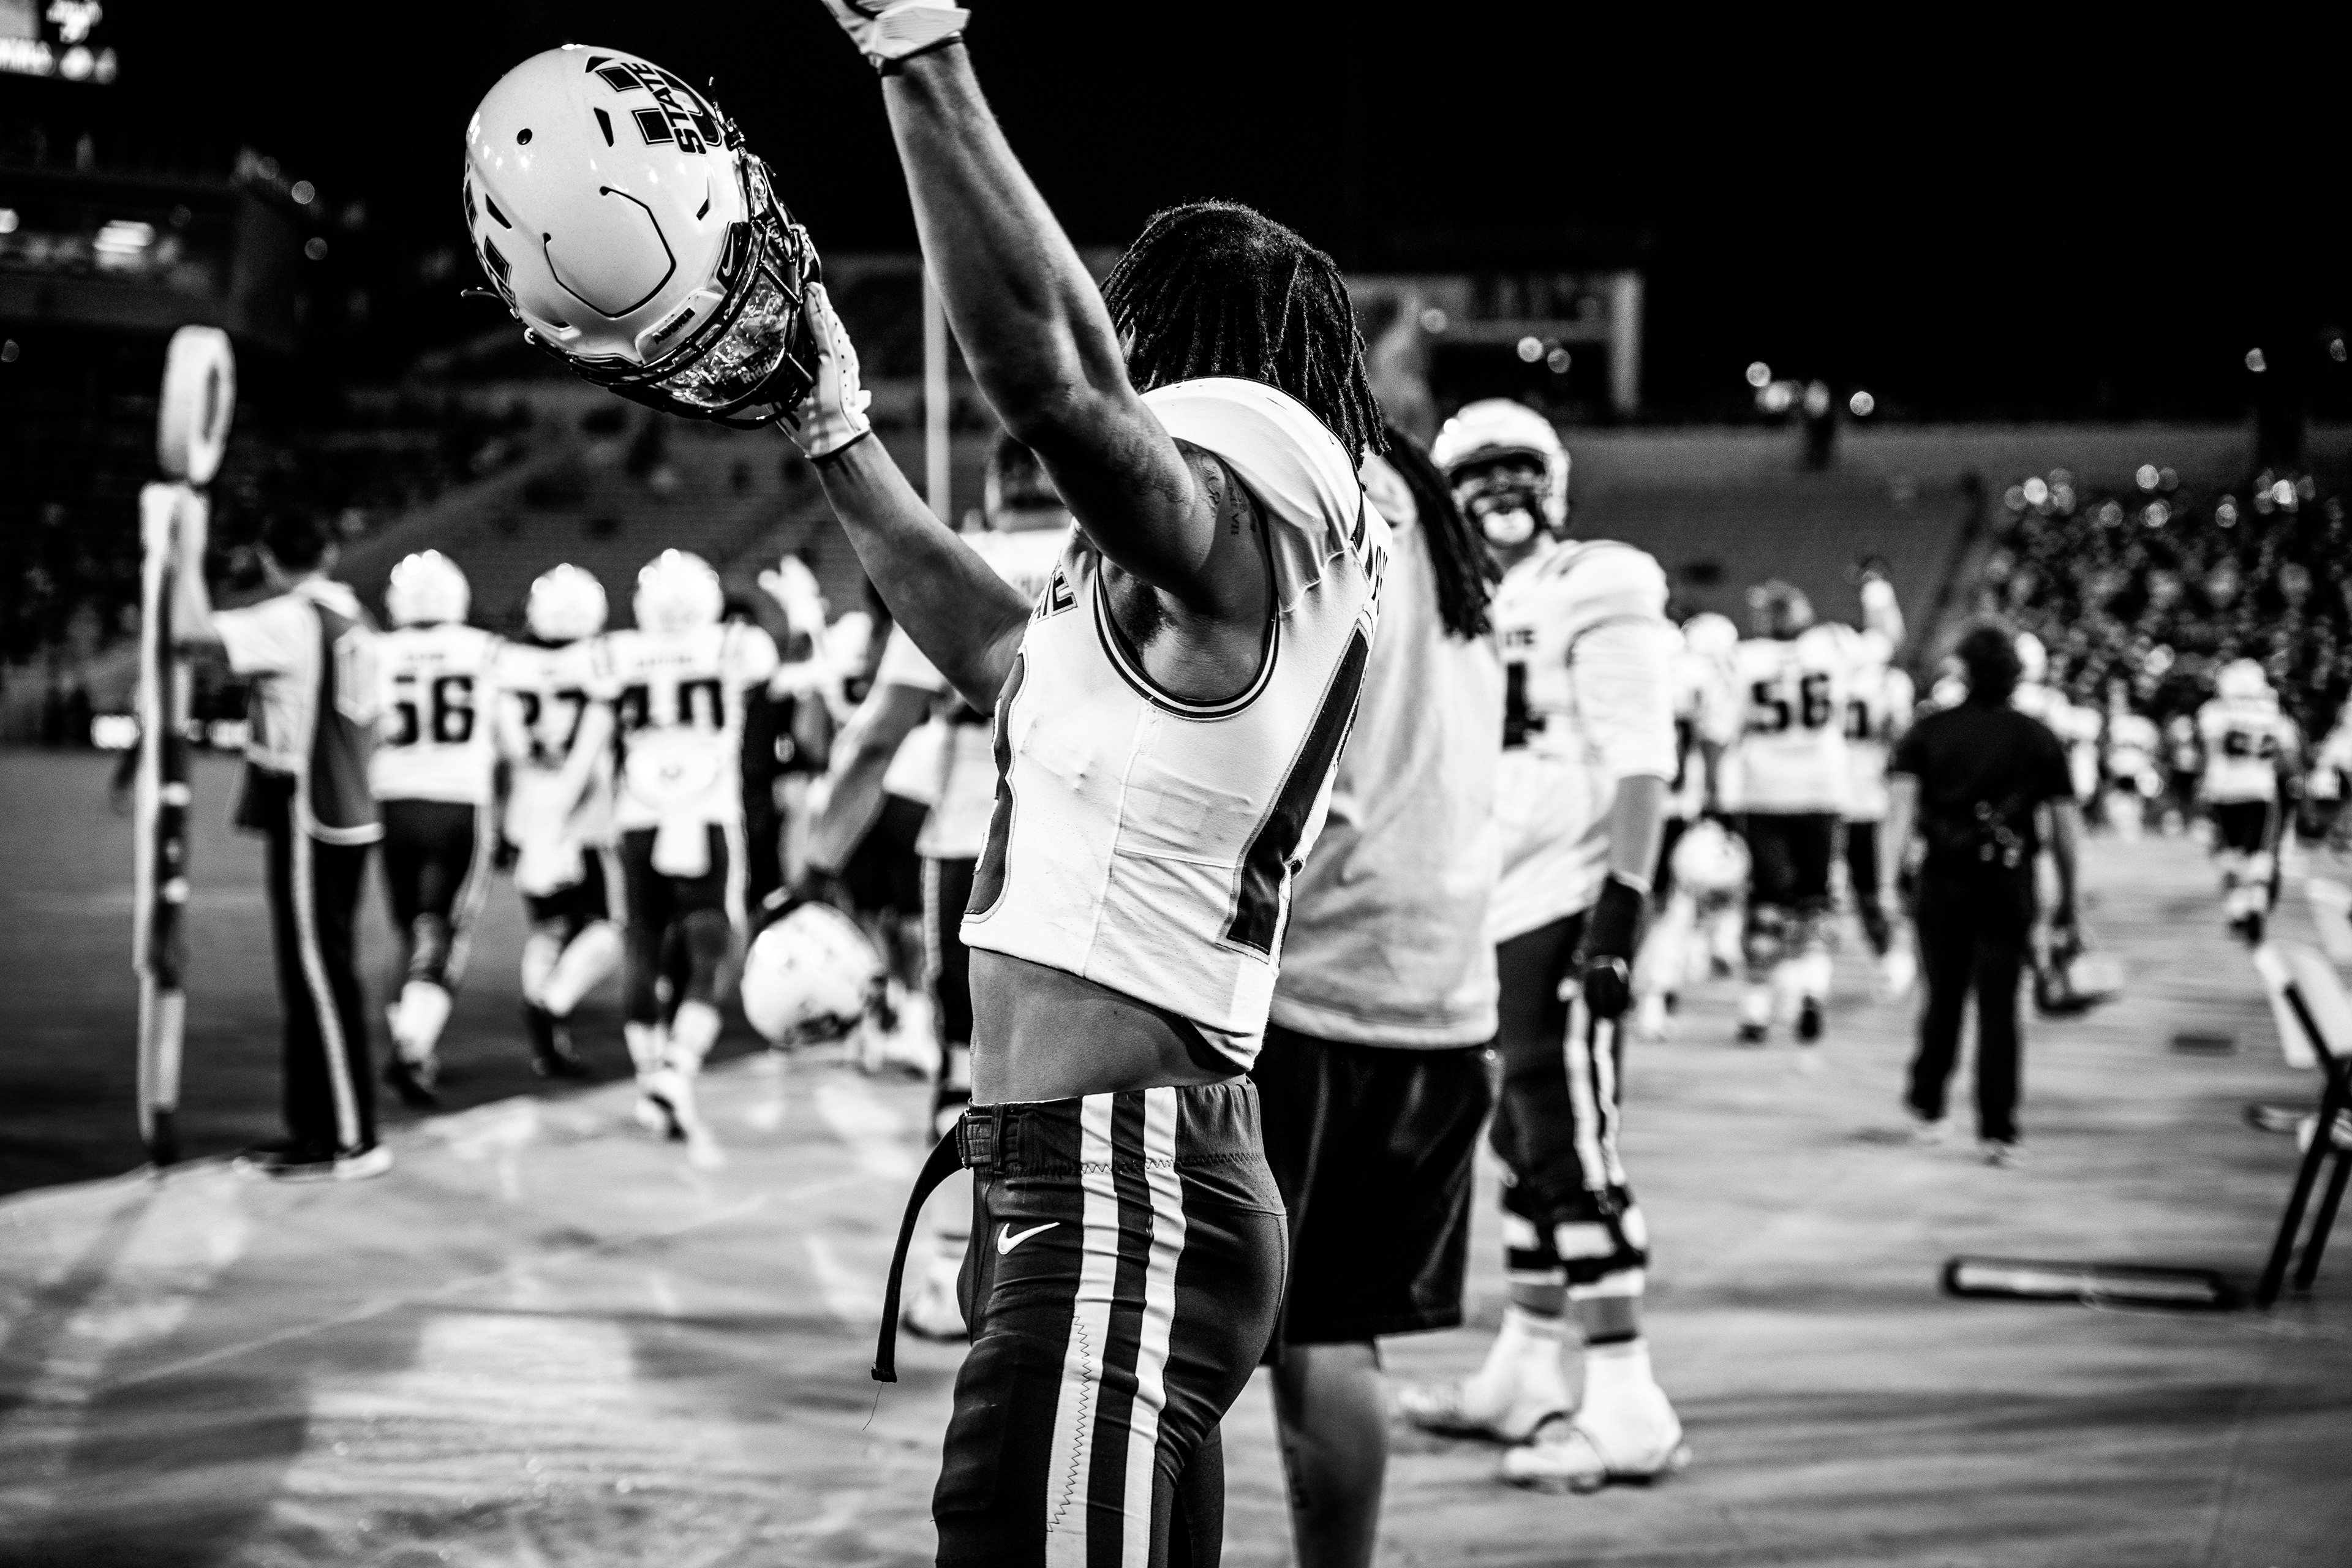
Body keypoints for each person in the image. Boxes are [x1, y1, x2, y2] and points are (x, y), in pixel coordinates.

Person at [1395, 398, 1687, 1492]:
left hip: (1564, 898)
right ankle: (1525, 1368)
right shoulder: (1459, 597)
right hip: (1489, 899)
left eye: (1518, 468)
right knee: (1519, 1140)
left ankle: (1626, 1399)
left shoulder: (1595, 580)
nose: (1500, 493)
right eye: (1478, 474)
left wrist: (1621, 912)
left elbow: (1642, 759)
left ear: (1554, 482)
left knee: (1569, 1142)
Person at [1251, 426, 1499, 1564]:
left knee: (1182, 1339)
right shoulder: (1436, 517)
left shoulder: (1292, 473)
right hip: (1442, 976)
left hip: (1311, 969)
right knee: (1335, 1330)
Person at [796, 433, 1074, 1342]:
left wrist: (815, 863)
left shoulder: (969, 561)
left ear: (995, 491)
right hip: (1103, 854)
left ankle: (966, 1275)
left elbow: (878, 734)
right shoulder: (1116, 553)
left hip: (977, 844)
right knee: (1099, 1082)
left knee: (968, 1070)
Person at [167, 505, 390, 1181]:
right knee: (316, 975)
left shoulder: (296, 619)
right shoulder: (355, 616)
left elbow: (190, 631)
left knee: (319, 978)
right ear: (327, 552)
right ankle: (318, 1127)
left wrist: (180, 547)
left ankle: (348, 1136)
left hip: (312, 810)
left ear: (268, 558)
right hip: (347, 807)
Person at [603, 549, 780, 1167]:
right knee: (712, 942)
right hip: (706, 811)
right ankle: (676, 1068)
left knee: (642, 938)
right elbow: (768, 665)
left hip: (638, 813)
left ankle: (649, 1081)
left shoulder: (617, 652)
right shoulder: (737, 643)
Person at [1882, 622, 2083, 1166]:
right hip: (2008, 882)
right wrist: (2070, 902)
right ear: (2017, 674)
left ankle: (1929, 1104)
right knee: (2000, 1006)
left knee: (1943, 997)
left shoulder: (1928, 732)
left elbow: (1899, 814)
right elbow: (2065, 829)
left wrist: (1886, 882)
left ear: (1964, 670)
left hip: (1944, 880)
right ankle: (1999, 1130)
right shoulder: (2038, 737)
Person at [371, 551, 503, 1104]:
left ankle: (412, 1044)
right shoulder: (486, 650)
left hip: (393, 802)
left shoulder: (376, 651)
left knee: (408, 928)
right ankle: (412, 1045)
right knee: (444, 930)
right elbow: (511, 736)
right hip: (458, 800)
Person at [491, 564, 623, 1079]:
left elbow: (502, 749)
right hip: (585, 814)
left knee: (549, 929)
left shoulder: (507, 662)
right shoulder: (604, 658)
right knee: (607, 928)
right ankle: (552, 1003)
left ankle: (545, 1031)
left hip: (529, 810)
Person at [1633, 611, 1738, 1039]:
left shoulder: (1635, 665)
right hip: (1675, 806)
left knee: (1630, 898)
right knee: (1670, 908)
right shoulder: (1700, 678)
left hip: (1623, 800)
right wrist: (1716, 804)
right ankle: (1655, 995)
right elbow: (1713, 742)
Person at [2196, 658, 2302, 943]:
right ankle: (2255, 903)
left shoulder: (2214, 712)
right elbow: (2288, 753)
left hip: (2222, 790)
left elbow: (2209, 752)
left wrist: (2203, 788)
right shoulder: (2272, 712)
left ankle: (2236, 909)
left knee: (2230, 852)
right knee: (2258, 852)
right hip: (2259, 789)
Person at [1842, 626, 1917, 998]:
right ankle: (1897, 953)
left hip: (1843, 798)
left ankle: (1890, 953)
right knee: (1887, 885)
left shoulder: (1839, 681)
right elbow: (1901, 741)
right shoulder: (1891, 684)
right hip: (1877, 798)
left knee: (1864, 889)